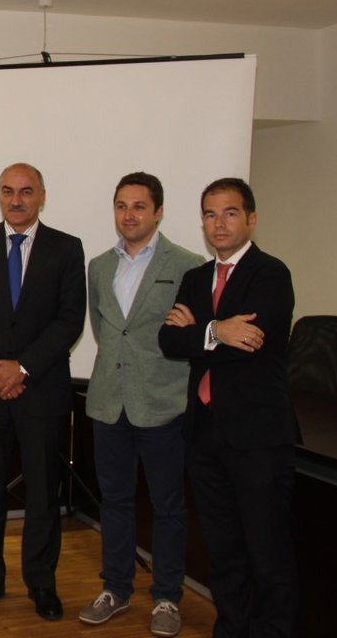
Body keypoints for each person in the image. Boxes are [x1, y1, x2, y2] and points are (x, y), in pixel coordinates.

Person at [159, 178, 298, 637]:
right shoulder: (196, 278)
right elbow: (169, 340)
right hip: (204, 433)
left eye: (230, 213)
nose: (219, 223)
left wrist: (199, 332)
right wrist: (219, 330)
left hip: (257, 436)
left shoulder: (270, 273)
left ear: (251, 219)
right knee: (222, 550)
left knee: (267, 552)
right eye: (210, 214)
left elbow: (252, 343)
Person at [0, 162, 85, 622]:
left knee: (43, 494)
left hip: (41, 391)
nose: (16, 200)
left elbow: (70, 319)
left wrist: (22, 368)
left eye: (26, 191)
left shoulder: (66, 248)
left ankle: (41, 583)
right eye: (8, 191)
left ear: (42, 196)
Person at [79, 172, 203, 637]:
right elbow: (107, 332)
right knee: (114, 501)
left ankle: (167, 596)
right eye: (121, 206)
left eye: (138, 206)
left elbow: (189, 334)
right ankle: (116, 588)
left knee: (168, 506)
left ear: (158, 211)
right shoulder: (98, 267)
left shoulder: (188, 265)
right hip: (109, 403)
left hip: (162, 403)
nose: (128, 215)